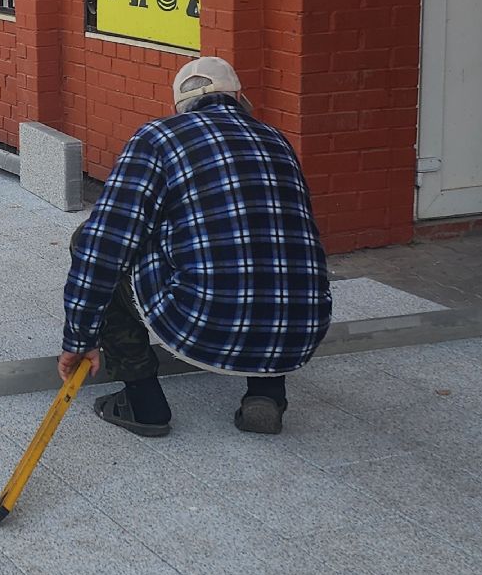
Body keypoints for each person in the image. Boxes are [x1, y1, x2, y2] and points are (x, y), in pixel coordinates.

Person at [58, 57, 332, 436]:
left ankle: (142, 400)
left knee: (94, 238)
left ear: (178, 107)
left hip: (203, 325)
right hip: (302, 329)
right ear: (240, 98)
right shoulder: (277, 139)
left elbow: (103, 246)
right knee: (266, 245)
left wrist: (80, 337)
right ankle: (267, 392)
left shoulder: (159, 137)